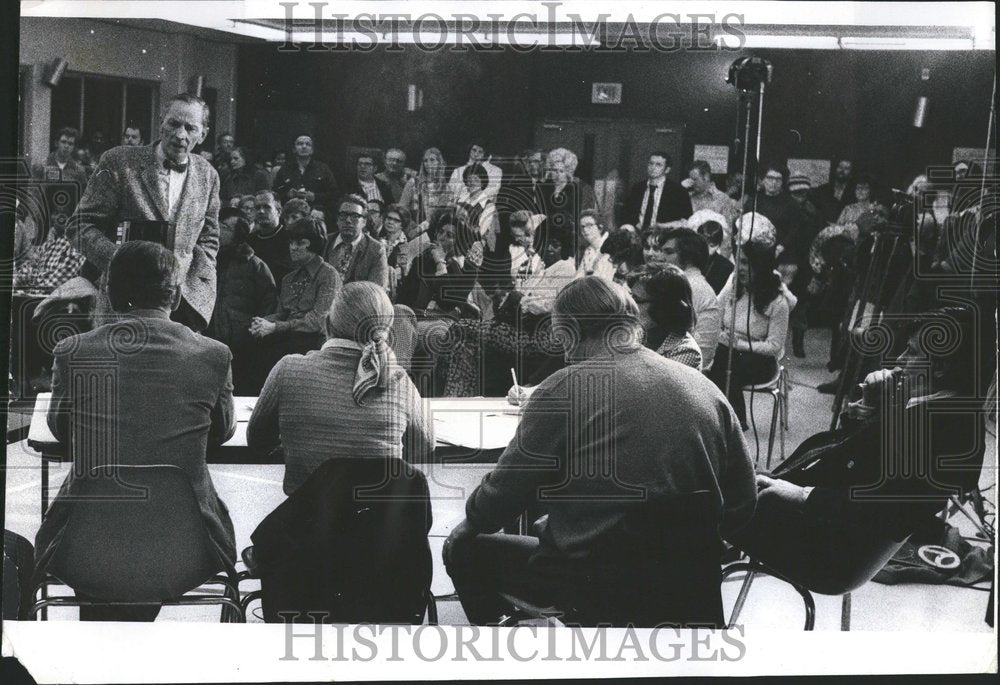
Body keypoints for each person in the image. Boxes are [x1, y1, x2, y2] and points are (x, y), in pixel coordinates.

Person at [444, 276, 757, 626]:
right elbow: (743, 501)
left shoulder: (562, 389)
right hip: (687, 584)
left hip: (595, 581)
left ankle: (511, 662)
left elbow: (501, 497)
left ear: (568, 331)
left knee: (464, 550)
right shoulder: (705, 388)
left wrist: (469, 523)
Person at [34, 241, 237, 621]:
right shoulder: (214, 354)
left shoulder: (73, 350)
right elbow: (223, 430)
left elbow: (60, 429)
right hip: (187, 543)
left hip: (86, 541)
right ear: (176, 295)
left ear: (111, 293)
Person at [729, 305, 993, 594]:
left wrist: (800, 495)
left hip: (827, 547)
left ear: (940, 368)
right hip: (833, 531)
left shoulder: (931, 427)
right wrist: (872, 409)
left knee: (694, 504)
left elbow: (878, 506)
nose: (899, 361)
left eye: (911, 352)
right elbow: (860, 461)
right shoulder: (945, 413)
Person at [36, 94, 221, 333]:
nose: (180, 134)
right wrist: (122, 262)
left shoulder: (208, 175)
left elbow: (209, 239)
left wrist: (197, 284)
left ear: (203, 134)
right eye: (174, 124)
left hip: (181, 308)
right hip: (123, 303)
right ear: (161, 122)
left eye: (190, 128)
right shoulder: (119, 162)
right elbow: (79, 227)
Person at [248, 281, 434, 495]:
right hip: (376, 524)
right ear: (386, 332)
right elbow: (424, 445)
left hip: (308, 522)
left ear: (327, 325)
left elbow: (258, 442)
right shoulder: (399, 382)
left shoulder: (288, 370)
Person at [708, 241, 790, 430]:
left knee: (724, 362)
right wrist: (723, 337)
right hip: (727, 351)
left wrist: (739, 344)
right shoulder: (733, 290)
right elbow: (714, 316)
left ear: (761, 266)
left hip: (759, 360)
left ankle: (731, 420)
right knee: (718, 358)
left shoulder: (778, 303)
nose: (741, 268)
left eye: (746, 263)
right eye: (739, 262)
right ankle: (729, 420)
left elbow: (774, 347)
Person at [206, 209, 277, 395]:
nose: (218, 231)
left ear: (238, 235)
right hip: (207, 341)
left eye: (224, 227)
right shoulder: (206, 260)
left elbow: (269, 304)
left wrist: (250, 334)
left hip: (242, 349)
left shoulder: (255, 266)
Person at [251, 217, 342, 362]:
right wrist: (261, 323)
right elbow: (281, 314)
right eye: (291, 242)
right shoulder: (289, 278)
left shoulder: (328, 275)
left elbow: (317, 322)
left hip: (313, 346)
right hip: (286, 341)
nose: (293, 247)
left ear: (314, 244)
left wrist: (275, 327)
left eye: (300, 243)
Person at [655, 228, 722, 369]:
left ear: (688, 257)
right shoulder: (690, 283)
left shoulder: (690, 285)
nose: (659, 257)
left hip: (689, 369)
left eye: (668, 252)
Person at [628, 264, 702, 369]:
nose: (629, 306)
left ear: (663, 307)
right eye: (630, 296)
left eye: (637, 300)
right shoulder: (637, 333)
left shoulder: (685, 352)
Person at [323, 193, 389, 288]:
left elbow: (376, 291)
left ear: (364, 222)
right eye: (343, 215)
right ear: (337, 220)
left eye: (355, 216)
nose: (348, 220)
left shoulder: (376, 250)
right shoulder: (324, 242)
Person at [623, 151, 692, 231]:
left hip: (663, 237)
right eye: (651, 163)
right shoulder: (637, 188)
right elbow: (626, 215)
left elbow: (686, 221)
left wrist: (662, 226)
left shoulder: (678, 191)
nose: (653, 167)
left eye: (658, 165)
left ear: (667, 170)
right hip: (637, 236)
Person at [274, 134, 339, 219]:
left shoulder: (323, 169)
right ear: (294, 149)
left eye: (308, 144)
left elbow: (334, 194)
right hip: (290, 217)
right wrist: (287, 195)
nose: (304, 146)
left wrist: (315, 196)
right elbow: (274, 195)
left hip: (315, 216)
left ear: (312, 150)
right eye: (300, 144)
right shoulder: (284, 170)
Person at [246, 190, 293, 285]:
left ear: (279, 211)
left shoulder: (290, 239)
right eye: (257, 208)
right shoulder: (249, 241)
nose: (261, 211)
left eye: (267, 207)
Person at [400, 147, 451, 224]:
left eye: (432, 160)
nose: (428, 164)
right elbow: (401, 209)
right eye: (425, 161)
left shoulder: (445, 187)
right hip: (415, 228)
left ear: (439, 162)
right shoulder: (413, 183)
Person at [685, 160, 740, 230]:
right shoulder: (688, 197)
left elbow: (727, 230)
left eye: (695, 179)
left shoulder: (722, 199)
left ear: (706, 177)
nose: (692, 183)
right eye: (690, 180)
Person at [811, 158, 857, 225]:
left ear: (851, 173)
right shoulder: (822, 189)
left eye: (846, 168)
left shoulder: (855, 193)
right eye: (840, 167)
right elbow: (814, 212)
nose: (842, 170)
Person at [575, 209, 615, 281]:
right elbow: (578, 277)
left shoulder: (611, 245)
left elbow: (606, 279)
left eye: (589, 225)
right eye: (582, 227)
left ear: (600, 227)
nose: (585, 230)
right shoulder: (588, 251)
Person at [697, 220, 734, 294]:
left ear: (718, 244)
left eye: (712, 245)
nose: (706, 249)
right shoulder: (689, 259)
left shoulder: (726, 267)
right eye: (703, 244)